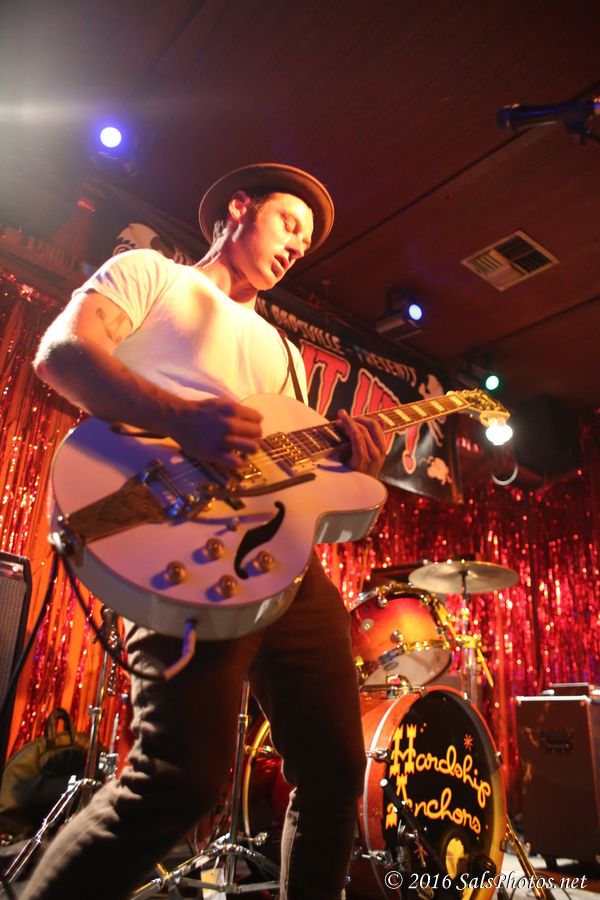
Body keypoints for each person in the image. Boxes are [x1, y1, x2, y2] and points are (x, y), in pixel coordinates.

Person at [24, 163, 386, 900]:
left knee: (336, 774)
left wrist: (351, 456)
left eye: (307, 243)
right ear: (238, 207)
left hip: (282, 560)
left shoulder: (285, 352)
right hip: (178, 536)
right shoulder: (151, 274)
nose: (298, 246)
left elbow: (290, 467)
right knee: (177, 778)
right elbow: (61, 354)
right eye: (289, 223)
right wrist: (182, 418)